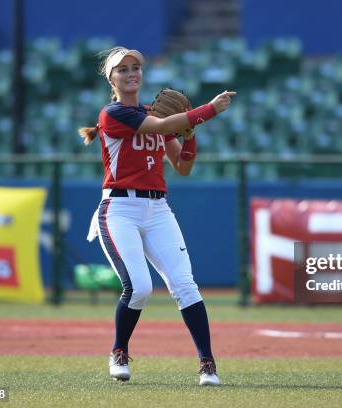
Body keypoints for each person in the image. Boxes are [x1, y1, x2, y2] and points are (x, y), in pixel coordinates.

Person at [78, 46, 235, 386]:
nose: (131, 73)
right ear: (112, 79)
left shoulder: (153, 114)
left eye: (136, 67)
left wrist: (190, 134)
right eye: (123, 70)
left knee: (185, 286)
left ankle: (207, 364)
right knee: (139, 288)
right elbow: (162, 125)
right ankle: (119, 350)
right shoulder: (112, 114)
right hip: (119, 209)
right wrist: (209, 111)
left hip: (157, 208)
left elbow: (183, 166)